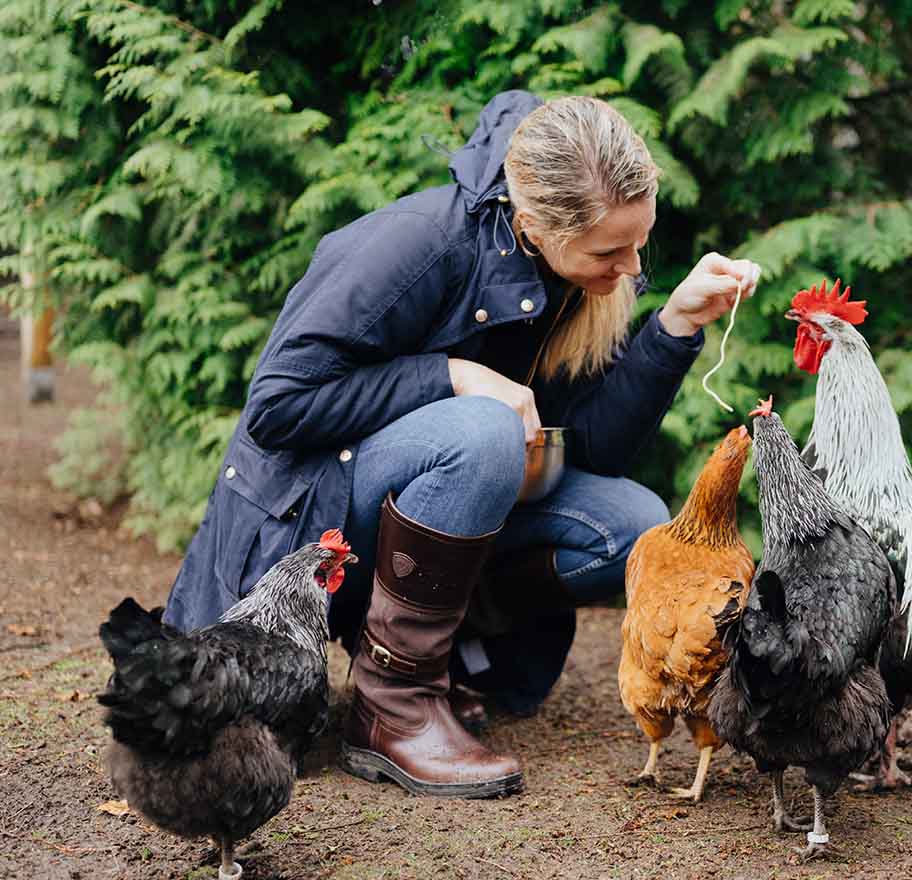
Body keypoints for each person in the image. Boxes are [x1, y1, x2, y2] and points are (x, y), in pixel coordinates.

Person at [161, 90, 760, 799]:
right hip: (309, 514)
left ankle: (452, 658)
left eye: (641, 241)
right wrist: (452, 375)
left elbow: (595, 450)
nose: (633, 267)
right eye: (612, 250)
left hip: (408, 521)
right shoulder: (417, 243)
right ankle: (393, 710)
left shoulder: (568, 271)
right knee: (484, 429)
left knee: (628, 524)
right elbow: (278, 407)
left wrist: (676, 328)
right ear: (534, 222)